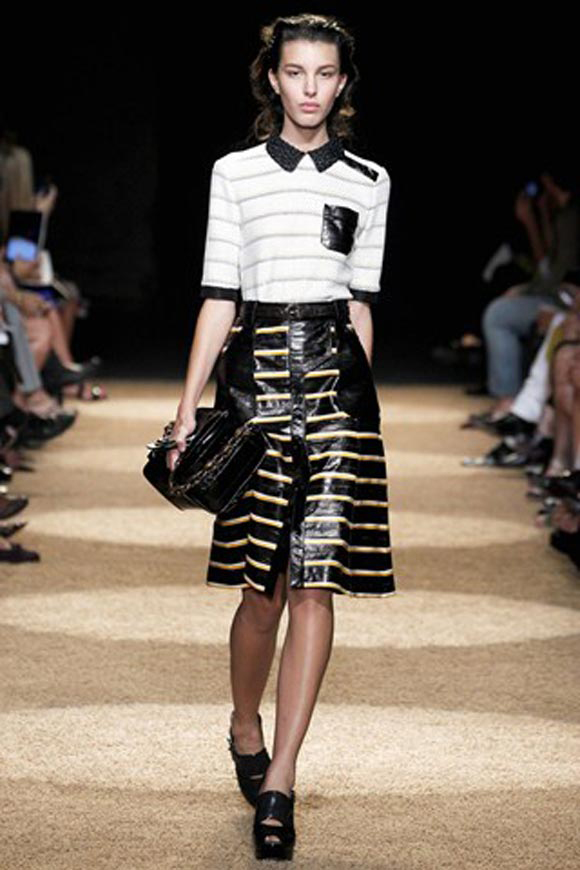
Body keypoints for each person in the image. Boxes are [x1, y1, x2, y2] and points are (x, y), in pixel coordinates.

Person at [167, 13, 396, 860]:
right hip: (255, 380)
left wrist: (363, 410)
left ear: (343, 83)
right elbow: (218, 294)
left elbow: (360, 300)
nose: (309, 88)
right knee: (260, 590)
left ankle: (282, 780)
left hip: (338, 387)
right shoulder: (234, 173)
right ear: (273, 78)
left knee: (315, 584)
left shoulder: (370, 180)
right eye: (295, 72)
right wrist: (187, 410)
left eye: (324, 74)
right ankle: (243, 722)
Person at [481, 169, 580, 420]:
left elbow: (555, 276)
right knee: (501, 306)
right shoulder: (560, 215)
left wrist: (531, 222)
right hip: (558, 296)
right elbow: (546, 264)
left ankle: (509, 401)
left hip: (565, 301)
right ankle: (514, 403)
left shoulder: (571, 217)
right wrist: (540, 217)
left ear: (550, 183)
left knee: (498, 315)